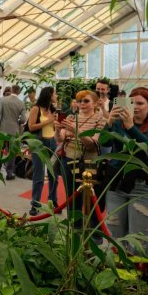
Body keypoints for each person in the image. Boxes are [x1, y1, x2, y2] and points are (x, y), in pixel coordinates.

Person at [104, 87, 148, 251]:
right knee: (116, 238)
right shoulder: (119, 124)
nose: (136, 106)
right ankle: (118, 273)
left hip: (145, 187)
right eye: (132, 102)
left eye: (141, 103)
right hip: (118, 184)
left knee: (140, 243)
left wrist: (131, 127)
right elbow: (104, 143)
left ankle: (139, 274)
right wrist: (109, 122)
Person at [56, 90, 106, 227]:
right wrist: (57, 129)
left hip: (88, 163)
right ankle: (74, 229)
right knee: (71, 198)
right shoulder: (72, 118)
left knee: (91, 199)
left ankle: (90, 230)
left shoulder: (100, 119)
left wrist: (76, 130)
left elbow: (92, 143)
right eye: (79, 101)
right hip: (68, 160)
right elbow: (61, 139)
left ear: (95, 103)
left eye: (86, 101)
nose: (82, 104)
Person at [27, 86, 58, 216]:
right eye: (54, 93)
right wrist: (49, 121)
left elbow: (53, 126)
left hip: (53, 142)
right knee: (39, 175)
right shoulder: (36, 108)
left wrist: (55, 123)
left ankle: (53, 201)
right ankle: (35, 203)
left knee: (54, 174)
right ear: (49, 95)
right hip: (40, 143)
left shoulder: (52, 109)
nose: (56, 96)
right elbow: (31, 127)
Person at [0, 85, 27, 180]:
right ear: (19, 92)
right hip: (14, 130)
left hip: (2, 129)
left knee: (0, 150)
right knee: (11, 152)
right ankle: (9, 173)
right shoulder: (21, 103)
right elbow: (23, 119)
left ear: (11, 90)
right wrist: (18, 122)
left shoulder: (3, 100)